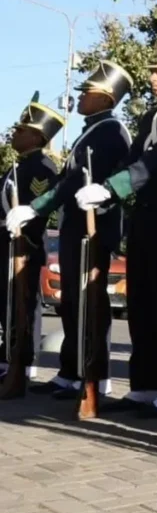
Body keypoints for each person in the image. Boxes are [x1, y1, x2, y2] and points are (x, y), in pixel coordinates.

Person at [75, 17, 157, 416]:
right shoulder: (151, 116)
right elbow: (134, 159)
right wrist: (106, 192)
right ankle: (145, 383)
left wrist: (116, 186)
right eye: (151, 70)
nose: (152, 77)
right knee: (143, 302)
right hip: (147, 217)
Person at [7, 62, 133, 399]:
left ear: (106, 98)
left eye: (86, 92)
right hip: (75, 227)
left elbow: (77, 182)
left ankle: (95, 373)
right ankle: (71, 369)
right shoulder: (92, 130)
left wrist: (36, 207)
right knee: (73, 303)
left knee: (91, 302)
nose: (79, 97)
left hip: (93, 228)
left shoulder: (112, 131)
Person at [0, 94, 63, 395]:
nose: (14, 134)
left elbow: (38, 208)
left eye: (21, 130)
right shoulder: (19, 166)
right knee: (7, 301)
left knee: (24, 301)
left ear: (37, 135)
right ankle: (9, 356)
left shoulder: (42, 167)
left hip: (23, 243)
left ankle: (24, 361)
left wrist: (23, 232)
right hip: (6, 240)